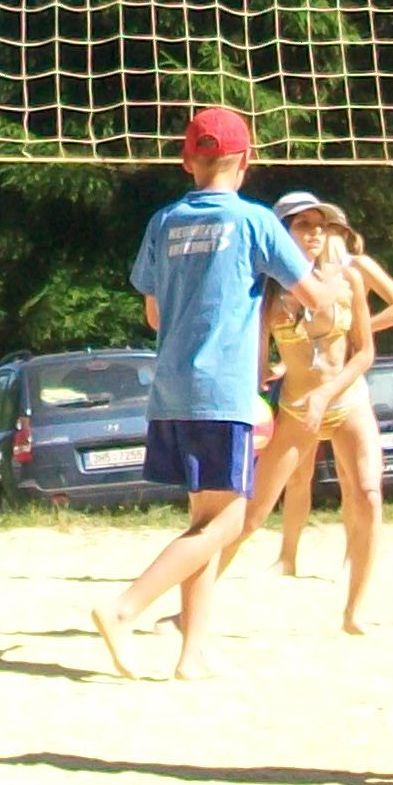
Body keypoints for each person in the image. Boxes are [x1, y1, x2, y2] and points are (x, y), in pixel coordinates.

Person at [91, 107, 312, 680]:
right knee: (227, 524)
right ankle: (125, 608)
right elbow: (313, 294)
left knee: (203, 521)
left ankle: (191, 653)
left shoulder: (164, 221)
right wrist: (337, 286)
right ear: (246, 159)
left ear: (188, 160)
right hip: (223, 389)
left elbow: (153, 312)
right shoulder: (255, 221)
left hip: (172, 387)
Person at [226, 194, 389, 634]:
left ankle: (354, 612)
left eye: (321, 225)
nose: (315, 232)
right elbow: (256, 360)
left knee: (368, 494)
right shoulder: (266, 290)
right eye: (303, 225)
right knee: (252, 514)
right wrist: (256, 384)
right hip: (297, 409)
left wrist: (326, 394)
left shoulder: (348, 278)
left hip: (347, 400)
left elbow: (364, 353)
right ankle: (189, 608)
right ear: (283, 233)